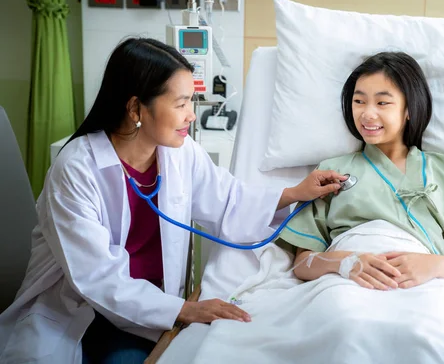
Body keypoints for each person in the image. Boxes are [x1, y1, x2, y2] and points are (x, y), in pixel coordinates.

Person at [0, 37, 347, 364]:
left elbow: (228, 201)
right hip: (76, 313)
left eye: (191, 102)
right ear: (137, 108)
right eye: (181, 103)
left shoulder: (180, 155)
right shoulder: (77, 169)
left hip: (144, 315)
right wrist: (184, 310)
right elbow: (96, 277)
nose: (191, 115)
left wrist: (295, 193)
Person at [277, 51, 444, 290]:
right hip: (346, 284)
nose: (367, 113)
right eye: (359, 101)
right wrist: (345, 263)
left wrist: (433, 266)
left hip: (426, 284)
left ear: (409, 110)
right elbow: (302, 263)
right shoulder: (330, 172)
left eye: (382, 103)